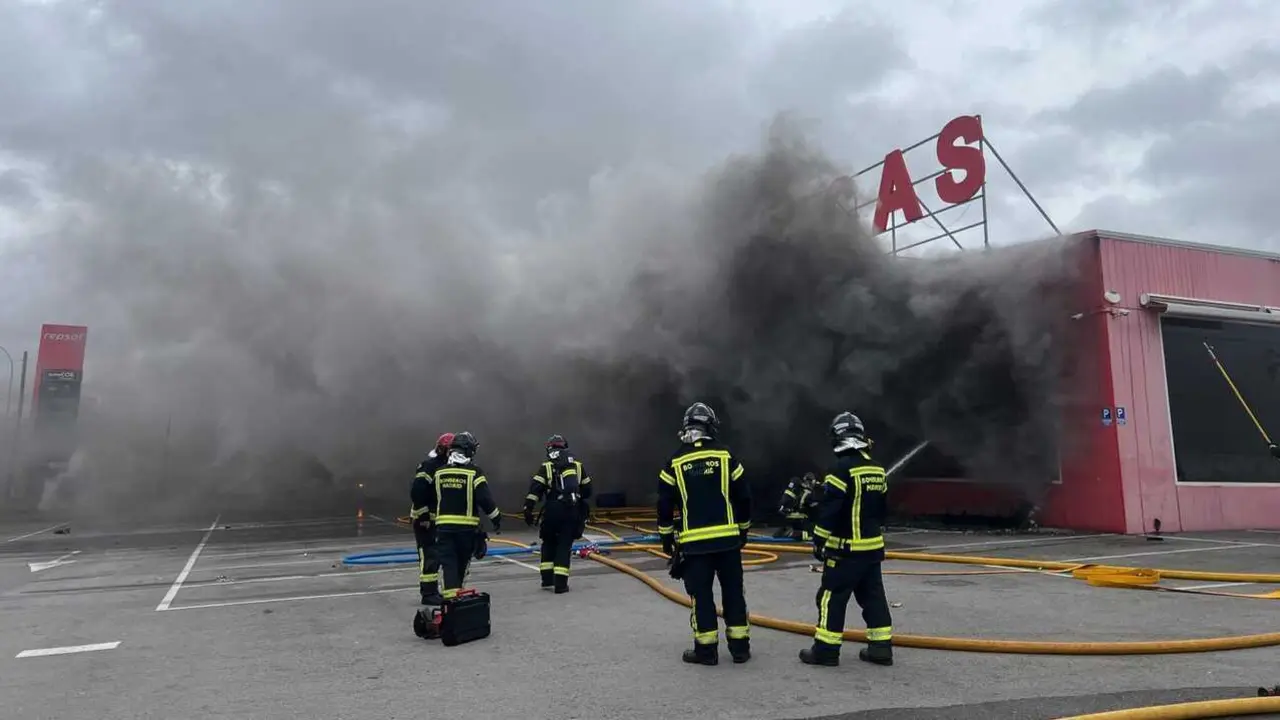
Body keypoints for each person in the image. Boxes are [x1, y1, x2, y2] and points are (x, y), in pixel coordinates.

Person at [657, 401, 753, 666]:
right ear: (711, 426)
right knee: (733, 592)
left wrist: (666, 537)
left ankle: (706, 652)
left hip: (695, 546)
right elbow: (743, 497)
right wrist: (743, 530)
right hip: (728, 544)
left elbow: (665, 504)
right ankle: (740, 649)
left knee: (702, 597)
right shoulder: (726, 456)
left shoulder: (675, 461)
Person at [800, 411, 894, 668]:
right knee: (873, 596)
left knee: (831, 597)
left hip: (845, 550)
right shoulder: (877, 469)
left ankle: (825, 651)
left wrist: (818, 539)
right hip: (872, 548)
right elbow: (882, 510)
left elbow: (831, 509)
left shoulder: (841, 469)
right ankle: (881, 648)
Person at [427, 431, 502, 601]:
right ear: (468, 450)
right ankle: (457, 603)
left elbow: (433, 499)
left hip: (444, 529)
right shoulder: (474, 473)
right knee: (461, 566)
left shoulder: (439, 473)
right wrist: (496, 518)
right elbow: (485, 499)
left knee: (449, 566)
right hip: (466, 530)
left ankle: (450, 604)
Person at [522, 434, 594, 593]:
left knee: (548, 542)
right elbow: (588, 490)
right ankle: (561, 584)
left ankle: (547, 579)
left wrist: (528, 509)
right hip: (571, 510)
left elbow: (535, 490)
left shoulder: (546, 466)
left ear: (549, 449)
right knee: (564, 545)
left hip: (552, 510)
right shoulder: (577, 465)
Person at [409, 432, 454, 605]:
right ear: (445, 449)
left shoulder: (445, 467)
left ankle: (434, 591)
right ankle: (428, 594)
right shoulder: (429, 466)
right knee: (429, 556)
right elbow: (417, 491)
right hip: (426, 521)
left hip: (439, 521)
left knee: (436, 556)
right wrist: (424, 515)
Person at [775, 472, 821, 540]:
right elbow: (810, 506)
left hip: (790, 515)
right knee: (812, 534)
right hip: (800, 518)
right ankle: (792, 534)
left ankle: (785, 531)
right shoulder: (809, 492)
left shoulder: (800, 488)